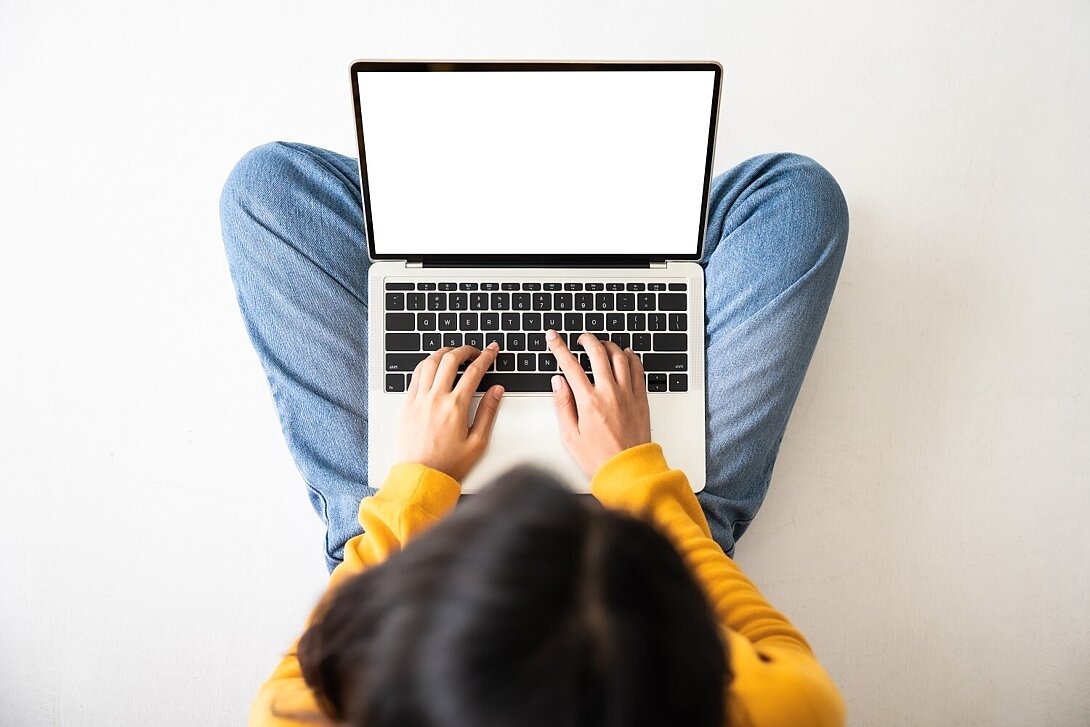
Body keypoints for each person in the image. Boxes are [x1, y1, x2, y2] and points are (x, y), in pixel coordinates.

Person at [221, 143, 849, 726]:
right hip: (652, 556)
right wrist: (635, 471)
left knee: (265, 185)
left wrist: (414, 481)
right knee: (796, 198)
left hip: (415, 570)